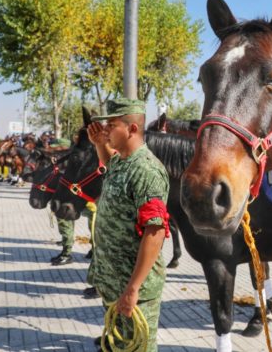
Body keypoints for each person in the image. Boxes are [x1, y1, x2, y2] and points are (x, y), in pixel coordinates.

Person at [87, 98, 170, 352]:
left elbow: (154, 233)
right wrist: (101, 145)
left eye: (112, 125)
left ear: (132, 129)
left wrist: (133, 289)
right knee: (119, 344)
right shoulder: (121, 161)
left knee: (138, 347)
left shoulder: (146, 170)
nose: (106, 130)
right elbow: (109, 164)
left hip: (134, 286)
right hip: (114, 280)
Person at [49, 138, 77, 266]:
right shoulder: (63, 159)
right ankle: (65, 251)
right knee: (65, 225)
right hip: (61, 196)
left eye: (57, 148)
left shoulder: (69, 160)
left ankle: (67, 254)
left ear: (64, 147)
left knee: (66, 225)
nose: (54, 150)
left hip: (66, 198)